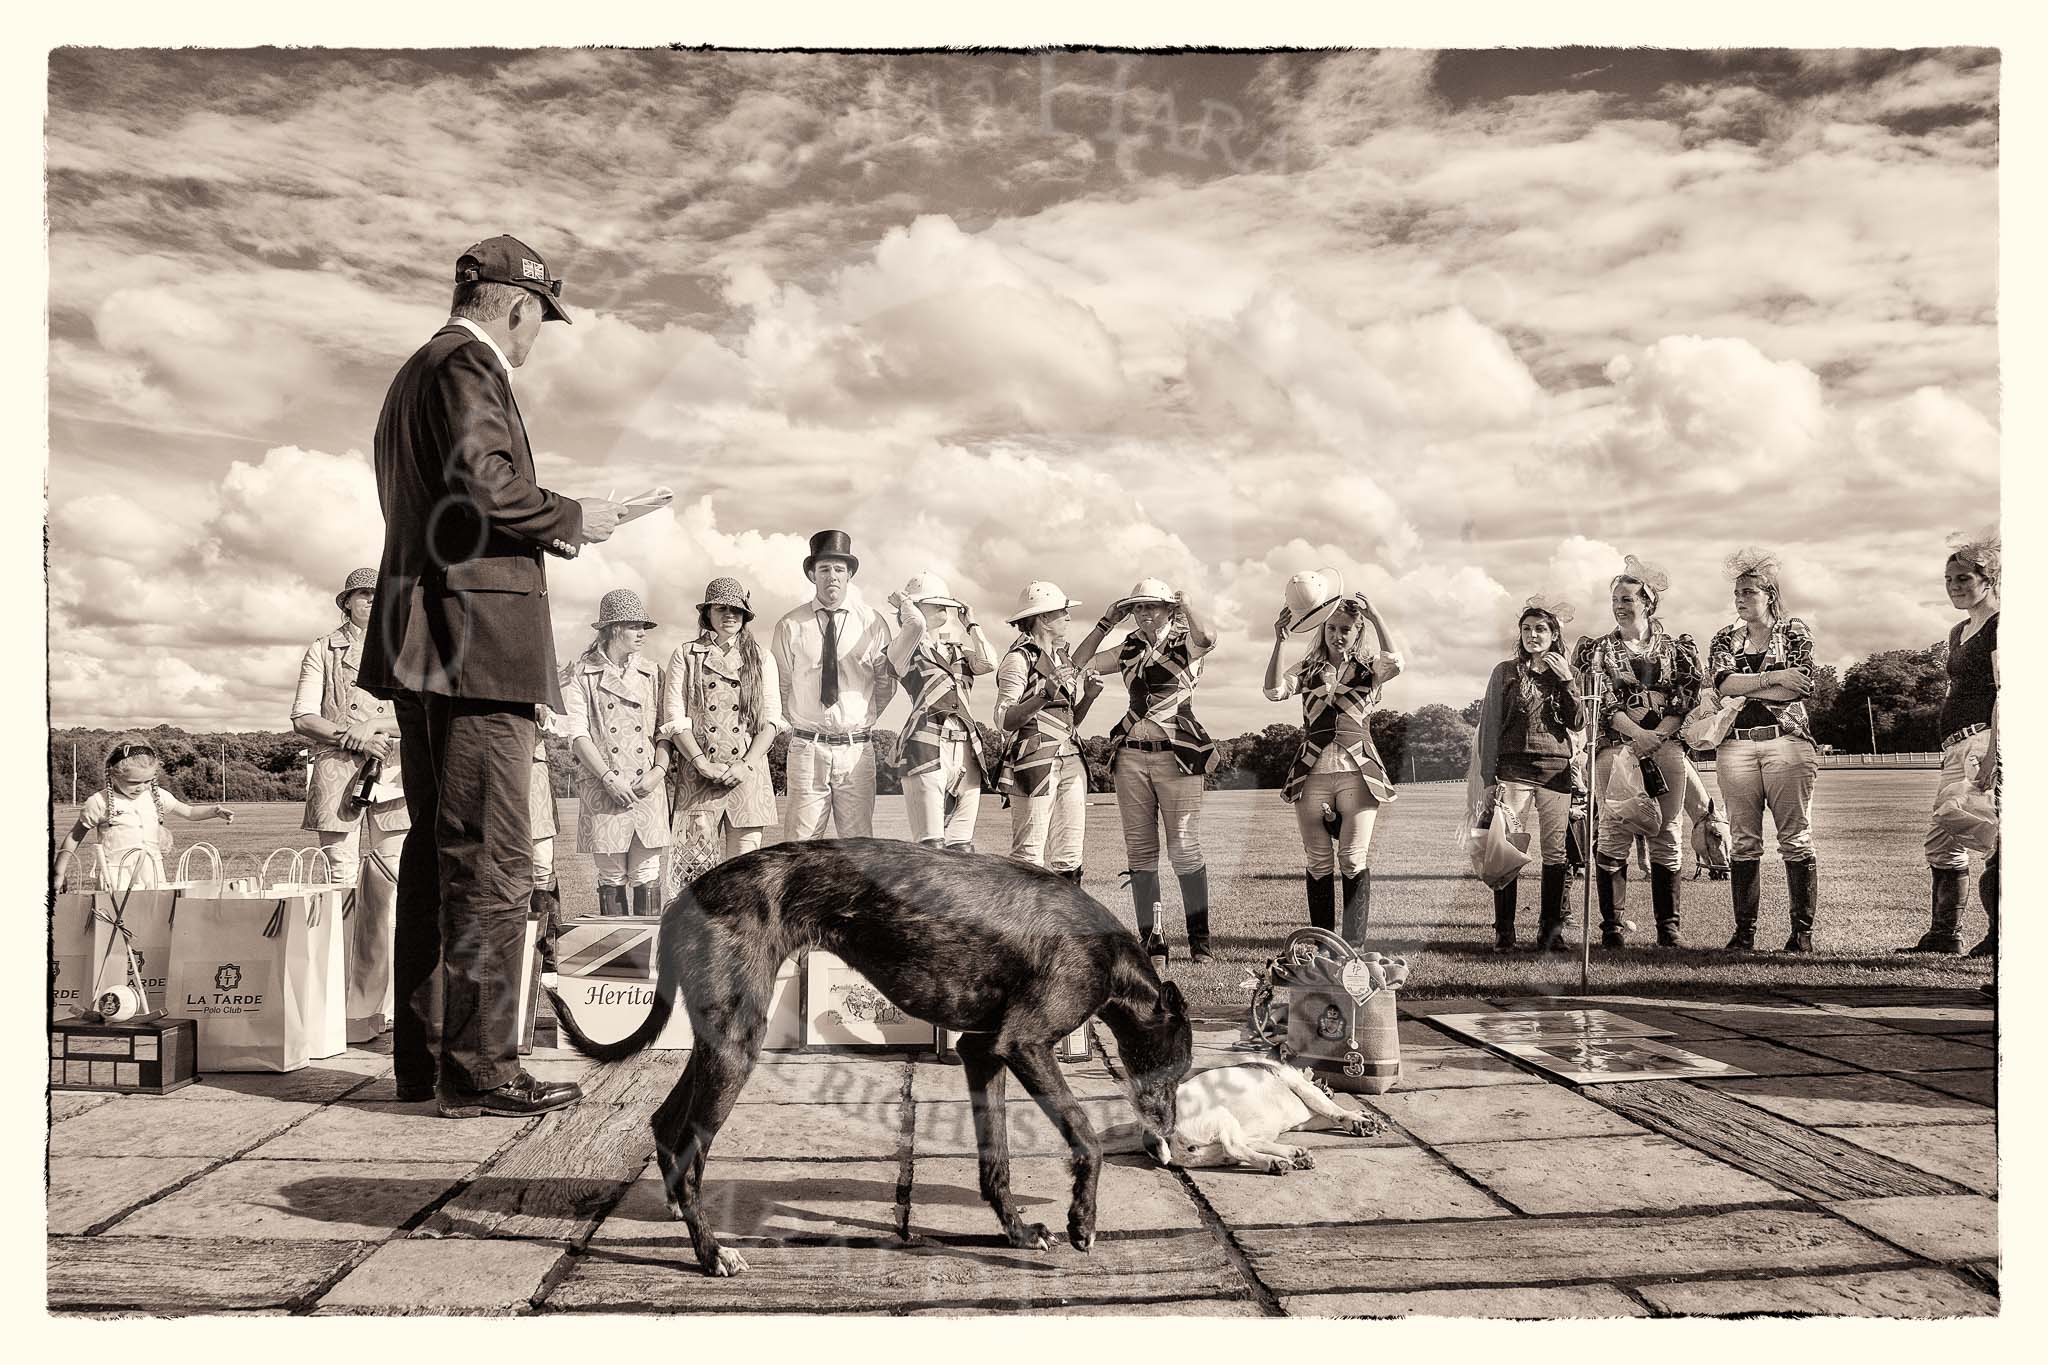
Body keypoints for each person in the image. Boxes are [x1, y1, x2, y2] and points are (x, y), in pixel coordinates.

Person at [360, 233, 626, 1118]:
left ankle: (427, 1060)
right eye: (539, 321)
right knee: (495, 862)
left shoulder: (409, 378)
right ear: (518, 308)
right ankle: (481, 1068)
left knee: (438, 858)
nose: (536, 338)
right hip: (476, 645)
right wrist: (582, 515)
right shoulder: (468, 367)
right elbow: (488, 485)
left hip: (423, 640)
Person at [291, 566, 410, 1040]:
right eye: (362, 596)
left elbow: (423, 714)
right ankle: (342, 1007)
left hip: (397, 776)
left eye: (378, 595)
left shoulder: (406, 645)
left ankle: (392, 1006)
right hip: (338, 774)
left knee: (392, 894)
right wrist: (353, 737)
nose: (370, 602)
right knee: (342, 886)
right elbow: (302, 716)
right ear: (346, 602)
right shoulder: (323, 649)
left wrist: (379, 730)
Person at [1079, 579, 1219, 962]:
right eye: (1137, 607)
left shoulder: (1185, 641)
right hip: (1131, 755)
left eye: (1151, 606)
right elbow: (1077, 663)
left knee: (1185, 850)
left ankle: (1200, 943)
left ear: (1169, 609)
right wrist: (1106, 622)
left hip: (1178, 755)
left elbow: (1207, 636)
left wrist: (1187, 604)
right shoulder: (1128, 647)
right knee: (1140, 852)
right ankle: (1152, 941)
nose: (1143, 613)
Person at [1262, 570, 1403, 943]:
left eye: (1345, 630)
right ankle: (1324, 943)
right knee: (1319, 861)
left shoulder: (1369, 669)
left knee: (1353, 859)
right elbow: (1274, 690)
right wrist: (1280, 641)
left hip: (1358, 773)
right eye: (1331, 629)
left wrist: (1376, 617)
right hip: (1312, 773)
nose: (1338, 636)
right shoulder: (1307, 669)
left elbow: (1397, 662)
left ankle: (1353, 946)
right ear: (1321, 631)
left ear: (1357, 634)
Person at [1570, 555, 1703, 949]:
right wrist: (1635, 734)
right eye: (1615, 598)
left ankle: (1669, 928)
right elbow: (1600, 702)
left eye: (1628, 598)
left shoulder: (1678, 650)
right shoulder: (1596, 650)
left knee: (1667, 831)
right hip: (1616, 747)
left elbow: (1686, 699)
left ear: (1648, 602)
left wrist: (1657, 736)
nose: (1619, 605)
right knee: (1613, 830)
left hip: (1666, 747)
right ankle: (1612, 928)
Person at [1705, 550, 1822, 952]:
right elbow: (1722, 683)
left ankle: (1801, 934)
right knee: (1743, 839)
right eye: (1737, 593)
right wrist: (1774, 677)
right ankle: (1744, 933)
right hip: (1736, 745)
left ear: (1769, 594)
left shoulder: (1793, 630)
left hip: (1786, 743)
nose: (1740, 599)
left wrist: (1747, 681)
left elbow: (1800, 685)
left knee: (1795, 837)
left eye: (1748, 592)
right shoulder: (1724, 637)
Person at [1898, 534, 2000, 957]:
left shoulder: (2002, 624)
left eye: (1963, 578)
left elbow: (2006, 691)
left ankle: (1999, 937)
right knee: (1943, 838)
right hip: (1956, 749)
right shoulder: (1959, 630)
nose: (1954, 586)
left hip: (1984, 742)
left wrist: (1997, 753)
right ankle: (1945, 933)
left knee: (1997, 839)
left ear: (1989, 579)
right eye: (1948, 579)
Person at [1471, 595, 1585, 953]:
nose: (1532, 635)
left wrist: (1567, 680)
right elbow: (1489, 727)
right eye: (1526, 629)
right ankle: (1504, 933)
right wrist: (1489, 779)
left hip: (1556, 771)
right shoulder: (1504, 672)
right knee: (1505, 849)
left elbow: (1578, 722)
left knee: (1555, 853)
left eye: (1540, 629)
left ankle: (1551, 932)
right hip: (1514, 770)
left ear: (1554, 635)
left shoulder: (1567, 672)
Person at [770, 530, 897, 840]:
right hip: (806, 748)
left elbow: (885, 683)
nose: (832, 577)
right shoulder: (790, 625)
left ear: (850, 574)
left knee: (859, 848)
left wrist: (858, 721)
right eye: (824, 569)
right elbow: (780, 685)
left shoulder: (872, 622)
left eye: (839, 569)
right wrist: (806, 726)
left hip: (856, 750)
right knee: (800, 846)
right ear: (813, 574)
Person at [661, 577, 783, 892]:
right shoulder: (685, 655)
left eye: (737, 610)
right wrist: (701, 763)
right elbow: (674, 718)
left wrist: (746, 764)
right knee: (695, 880)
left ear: (745, 616)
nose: (730, 615)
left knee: (746, 881)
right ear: (708, 613)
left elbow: (770, 721)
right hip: (699, 778)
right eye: (721, 608)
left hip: (747, 777)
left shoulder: (762, 657)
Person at [564, 589, 671, 917]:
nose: (642, 634)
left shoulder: (653, 673)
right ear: (612, 629)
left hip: (647, 788)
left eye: (643, 627)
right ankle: (616, 964)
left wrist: (659, 772)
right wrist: (609, 778)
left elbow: (665, 732)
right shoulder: (580, 675)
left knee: (646, 874)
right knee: (611, 875)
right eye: (634, 626)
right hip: (603, 788)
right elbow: (577, 735)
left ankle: (649, 962)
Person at [993, 581, 1104, 879]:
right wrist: (1043, 693)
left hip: (1071, 760)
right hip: (1033, 763)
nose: (1068, 618)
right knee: (1028, 856)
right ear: (1043, 618)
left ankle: (1068, 926)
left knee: (1070, 856)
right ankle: (1023, 927)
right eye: (1062, 612)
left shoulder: (1062, 658)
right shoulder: (1018, 659)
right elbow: (1003, 719)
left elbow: (1068, 721)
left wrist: (1089, 697)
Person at [886, 572, 996, 852]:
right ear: (914, 608)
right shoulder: (902, 649)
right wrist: (905, 605)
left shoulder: (957, 651)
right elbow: (915, 625)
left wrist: (971, 623)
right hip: (925, 747)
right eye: (934, 603)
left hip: (966, 748)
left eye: (945, 603)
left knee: (962, 847)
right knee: (931, 847)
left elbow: (988, 663)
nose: (943, 608)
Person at [54, 737, 234, 890]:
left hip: (152, 873)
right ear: (113, 775)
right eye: (133, 782)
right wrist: (58, 872)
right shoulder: (99, 802)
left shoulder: (157, 796)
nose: (141, 787)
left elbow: (189, 812)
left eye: (147, 781)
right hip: (116, 876)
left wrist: (214, 811)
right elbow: (74, 837)